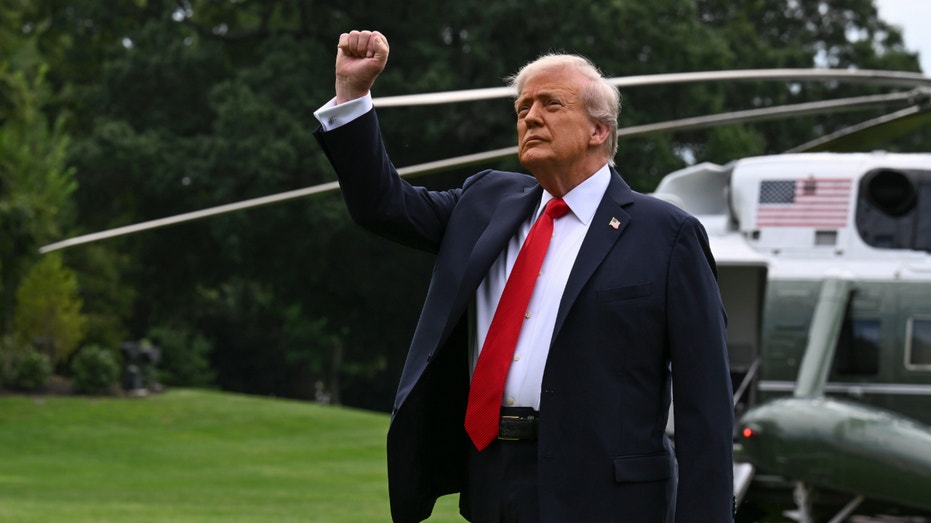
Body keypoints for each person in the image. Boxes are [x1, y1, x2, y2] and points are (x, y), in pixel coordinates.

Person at [314, 30, 734, 523]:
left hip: (608, 496)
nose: (530, 116)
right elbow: (382, 206)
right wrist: (352, 95)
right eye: (522, 108)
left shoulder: (666, 234)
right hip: (491, 477)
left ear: (600, 130)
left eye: (551, 105)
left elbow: (704, 403)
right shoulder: (484, 203)